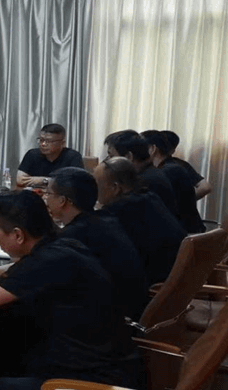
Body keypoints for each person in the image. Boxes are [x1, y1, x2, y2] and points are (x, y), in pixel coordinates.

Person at [0, 190, 141, 390]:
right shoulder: (62, 246)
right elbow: (19, 271)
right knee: (5, 357)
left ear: (18, 235)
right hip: (114, 370)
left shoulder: (44, 263)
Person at [45, 167, 148, 319]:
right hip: (133, 307)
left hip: (111, 319)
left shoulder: (73, 237)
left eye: (48, 193)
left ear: (62, 200)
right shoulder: (106, 219)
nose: (45, 198)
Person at [94, 157, 186, 285]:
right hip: (176, 278)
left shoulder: (117, 212)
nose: (94, 188)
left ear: (115, 188)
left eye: (97, 183)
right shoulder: (150, 197)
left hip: (153, 284)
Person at [104, 130, 178, 219]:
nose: (107, 161)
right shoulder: (149, 173)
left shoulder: (143, 182)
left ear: (128, 157)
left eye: (111, 156)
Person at [142, 130, 205, 233]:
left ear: (153, 149)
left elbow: (206, 187)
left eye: (140, 149)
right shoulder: (176, 165)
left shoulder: (168, 171)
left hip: (183, 233)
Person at [16, 123, 84, 188]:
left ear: (62, 143)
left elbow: (75, 183)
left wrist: (43, 180)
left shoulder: (73, 156)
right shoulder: (32, 154)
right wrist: (55, 182)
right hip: (35, 193)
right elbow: (20, 180)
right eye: (41, 140)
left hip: (60, 195)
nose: (43, 144)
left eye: (48, 141)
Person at [161, 129, 213, 200]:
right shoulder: (180, 164)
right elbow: (205, 187)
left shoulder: (178, 165)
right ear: (173, 150)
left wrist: (184, 202)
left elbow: (205, 187)